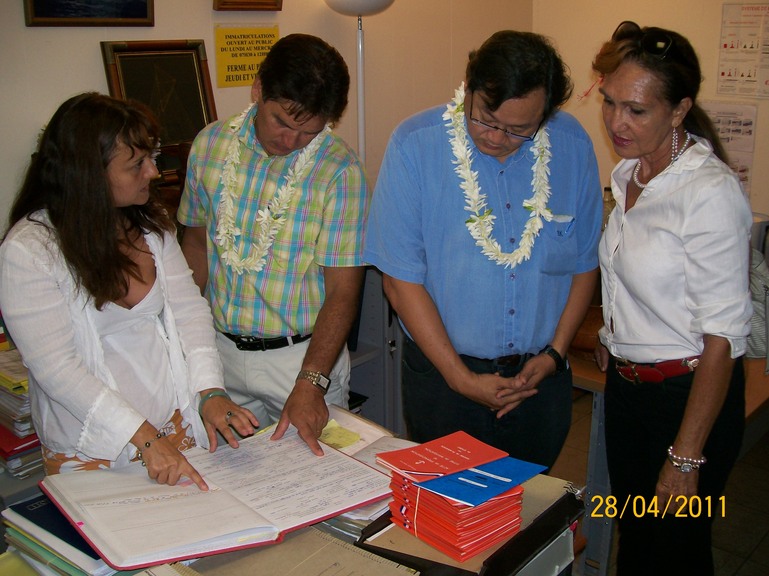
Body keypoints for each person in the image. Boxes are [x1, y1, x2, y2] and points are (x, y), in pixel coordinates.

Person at [364, 30, 602, 469]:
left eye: (519, 131)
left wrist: (555, 354)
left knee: (529, 512)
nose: (496, 138)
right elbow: (400, 282)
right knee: (448, 514)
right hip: (443, 379)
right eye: (486, 119)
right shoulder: (415, 145)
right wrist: (461, 378)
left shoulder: (570, 146)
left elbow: (585, 264)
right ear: (469, 89)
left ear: (545, 115)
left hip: (540, 381)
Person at [0, 93, 258, 490]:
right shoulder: (29, 251)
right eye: (137, 163)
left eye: (151, 157)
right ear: (89, 173)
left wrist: (209, 391)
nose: (153, 172)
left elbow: (190, 314)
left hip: (172, 426)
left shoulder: (150, 228)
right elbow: (58, 370)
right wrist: (145, 437)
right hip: (92, 448)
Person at [592, 22, 752, 575]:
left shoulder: (708, 192)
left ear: (679, 110)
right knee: (635, 539)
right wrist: (615, 336)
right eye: (610, 103)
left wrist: (685, 458)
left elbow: (725, 338)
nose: (616, 122)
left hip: (687, 399)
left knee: (676, 554)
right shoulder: (629, 173)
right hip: (630, 392)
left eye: (636, 110)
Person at [178, 34, 369, 456]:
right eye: (282, 121)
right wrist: (188, 349)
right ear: (259, 89)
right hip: (220, 353)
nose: (289, 141)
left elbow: (343, 291)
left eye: (308, 132)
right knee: (230, 481)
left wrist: (312, 381)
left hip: (300, 359)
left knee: (308, 486)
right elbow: (194, 245)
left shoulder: (340, 171)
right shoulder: (209, 146)